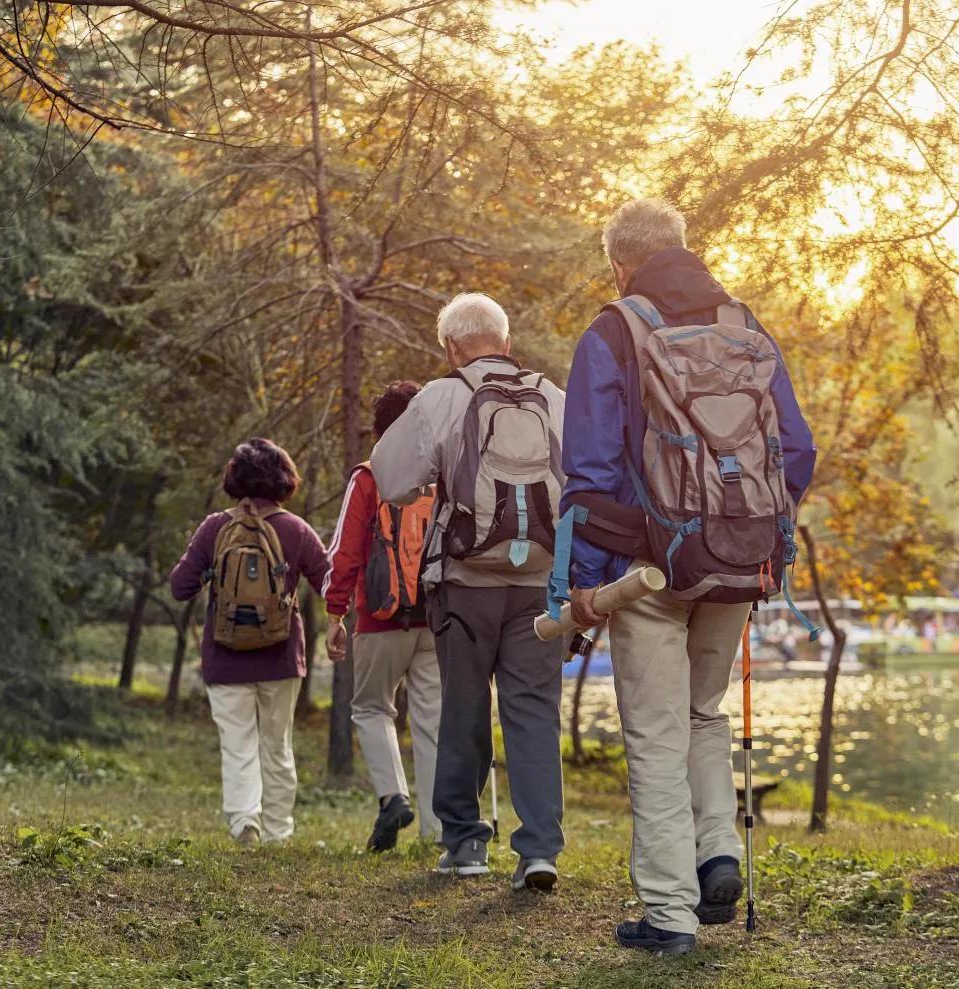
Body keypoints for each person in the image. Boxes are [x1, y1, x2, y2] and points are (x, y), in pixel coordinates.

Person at [560, 199, 815, 954]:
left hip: (649, 568)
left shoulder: (612, 332)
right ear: (683, 248)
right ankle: (719, 854)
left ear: (618, 263)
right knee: (705, 714)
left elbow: (590, 470)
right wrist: (758, 533)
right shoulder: (745, 327)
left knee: (656, 734)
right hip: (739, 560)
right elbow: (794, 450)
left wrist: (584, 581)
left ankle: (670, 912)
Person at [370, 292, 568, 891]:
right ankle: (538, 853)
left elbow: (391, 477)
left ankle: (465, 843)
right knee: (533, 711)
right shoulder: (552, 396)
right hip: (540, 580)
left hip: (464, 581)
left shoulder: (441, 395)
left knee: (463, 706)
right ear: (506, 343)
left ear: (451, 347)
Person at [170, 438, 330, 847]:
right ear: (284, 479)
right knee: (277, 746)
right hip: (280, 657)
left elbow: (179, 586)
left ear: (234, 478)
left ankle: (245, 821)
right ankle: (278, 831)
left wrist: (210, 573)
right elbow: (331, 582)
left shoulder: (215, 528)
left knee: (237, 744)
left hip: (225, 657)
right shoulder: (295, 529)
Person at [323, 381, 442, 851]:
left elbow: (347, 551)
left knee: (372, 708)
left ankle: (393, 796)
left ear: (379, 429)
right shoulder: (440, 477)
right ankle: (438, 830)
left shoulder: (370, 477)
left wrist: (336, 613)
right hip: (435, 617)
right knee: (432, 720)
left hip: (379, 617)